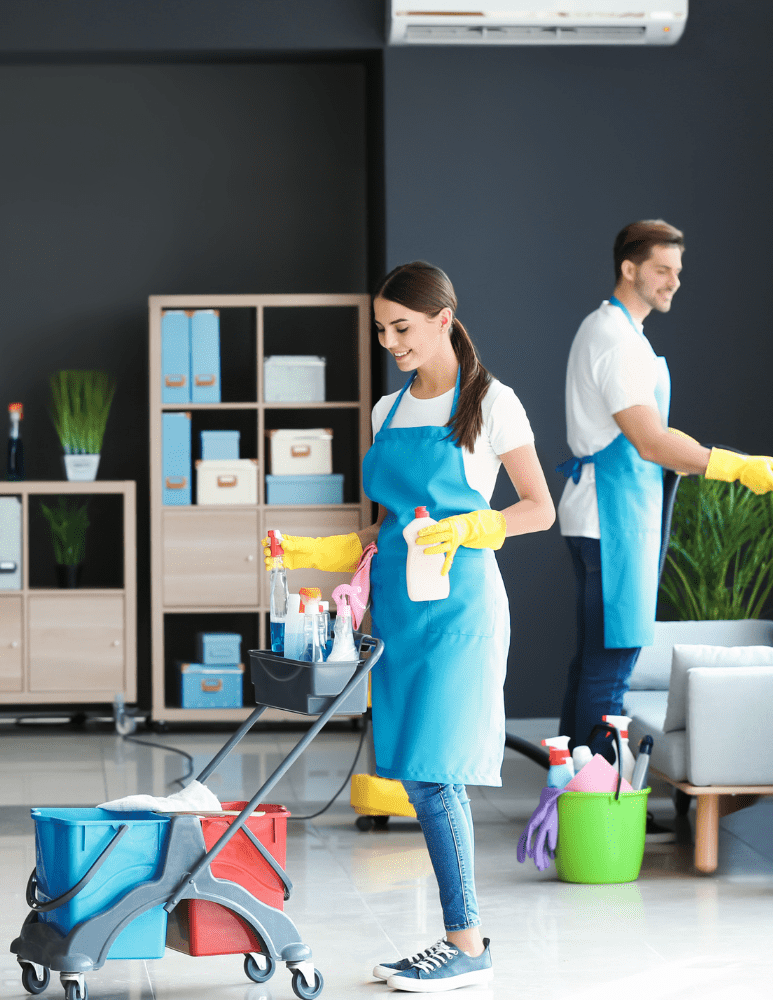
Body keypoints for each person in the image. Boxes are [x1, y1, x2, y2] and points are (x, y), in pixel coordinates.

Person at [265, 262, 554, 992]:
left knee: (435, 775)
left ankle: (466, 942)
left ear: (443, 319)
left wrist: (473, 526)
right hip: (397, 610)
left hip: (460, 610)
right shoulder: (385, 413)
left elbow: (539, 508)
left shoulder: (493, 404)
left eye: (402, 328)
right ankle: (463, 938)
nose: (390, 342)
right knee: (422, 778)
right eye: (382, 330)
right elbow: (385, 526)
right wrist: (313, 552)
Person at [555, 220, 773, 752]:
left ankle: (574, 794)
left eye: (677, 271)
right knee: (611, 665)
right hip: (610, 520)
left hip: (610, 514)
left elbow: (656, 434)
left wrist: (702, 455)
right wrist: (732, 465)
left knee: (597, 658)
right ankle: (594, 800)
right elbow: (650, 441)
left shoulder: (620, 332)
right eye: (662, 269)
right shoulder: (615, 340)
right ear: (629, 267)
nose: (673, 282)